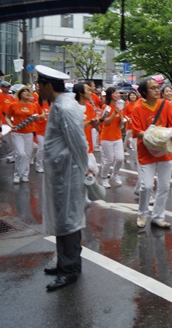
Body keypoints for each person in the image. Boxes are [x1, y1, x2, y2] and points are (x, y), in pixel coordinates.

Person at [37, 65, 89, 292]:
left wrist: (86, 170)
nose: (37, 88)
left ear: (48, 86)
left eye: (39, 85)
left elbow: (78, 143)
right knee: (62, 218)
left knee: (68, 219)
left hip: (69, 173)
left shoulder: (66, 108)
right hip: (60, 173)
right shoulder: (59, 105)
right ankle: (64, 263)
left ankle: (70, 269)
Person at [131, 77, 172, 229]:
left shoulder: (165, 104)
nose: (157, 90)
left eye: (157, 87)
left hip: (165, 151)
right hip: (146, 152)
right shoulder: (137, 108)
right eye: (152, 88)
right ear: (144, 92)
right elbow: (136, 132)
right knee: (146, 186)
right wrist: (155, 135)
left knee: (164, 186)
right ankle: (142, 214)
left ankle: (158, 216)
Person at [5, 86, 40, 183]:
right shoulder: (13, 105)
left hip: (28, 133)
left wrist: (39, 117)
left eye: (28, 91)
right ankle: (17, 175)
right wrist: (10, 125)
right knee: (20, 154)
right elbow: (7, 117)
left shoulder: (33, 105)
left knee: (28, 155)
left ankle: (25, 174)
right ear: (20, 94)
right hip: (17, 132)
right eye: (24, 91)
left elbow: (36, 119)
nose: (27, 93)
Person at [99, 87, 125, 188]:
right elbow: (105, 121)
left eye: (119, 93)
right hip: (107, 137)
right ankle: (104, 178)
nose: (118, 95)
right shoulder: (106, 107)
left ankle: (115, 174)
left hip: (117, 136)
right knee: (109, 160)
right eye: (116, 93)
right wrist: (115, 113)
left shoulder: (120, 106)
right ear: (111, 95)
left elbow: (120, 124)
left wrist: (123, 120)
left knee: (120, 158)